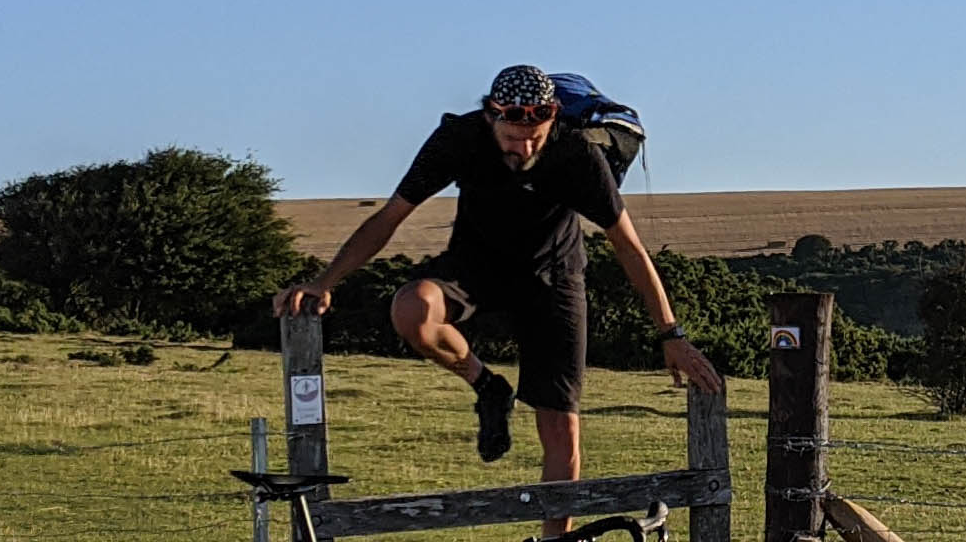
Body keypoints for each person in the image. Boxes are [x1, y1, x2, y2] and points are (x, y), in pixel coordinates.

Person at [273, 66, 719, 495]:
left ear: (553, 119)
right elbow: (390, 217)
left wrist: (671, 335)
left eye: (535, 138)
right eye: (511, 138)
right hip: (474, 267)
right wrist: (324, 282)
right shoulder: (459, 139)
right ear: (491, 116)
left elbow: (630, 248)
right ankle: (488, 387)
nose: (523, 150)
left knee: (561, 427)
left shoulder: (577, 155)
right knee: (411, 309)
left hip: (553, 278)